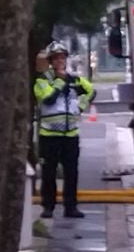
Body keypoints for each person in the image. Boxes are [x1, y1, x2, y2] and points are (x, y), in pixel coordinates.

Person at [33, 41, 95, 219]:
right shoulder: (42, 80)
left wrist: (80, 107)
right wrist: (60, 82)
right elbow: (48, 99)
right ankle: (48, 207)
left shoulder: (74, 79)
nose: (60, 61)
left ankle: (71, 207)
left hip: (70, 134)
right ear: (51, 61)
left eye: (62, 57)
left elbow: (91, 91)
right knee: (49, 173)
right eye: (56, 58)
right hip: (49, 135)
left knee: (71, 173)